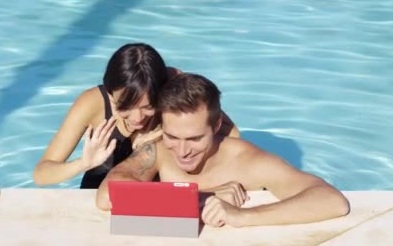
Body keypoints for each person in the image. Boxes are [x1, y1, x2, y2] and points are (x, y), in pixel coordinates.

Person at [96, 73, 350, 227]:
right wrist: (202, 198)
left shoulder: (247, 161)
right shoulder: (159, 151)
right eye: (173, 136)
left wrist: (242, 216)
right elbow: (108, 196)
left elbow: (332, 201)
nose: (182, 151)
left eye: (194, 138)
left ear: (217, 125)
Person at [33, 43, 239, 189]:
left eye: (148, 107)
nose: (137, 118)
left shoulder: (173, 85)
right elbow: (42, 174)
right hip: (101, 194)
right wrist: (83, 163)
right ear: (110, 92)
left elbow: (231, 134)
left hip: (162, 193)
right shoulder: (92, 103)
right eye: (124, 107)